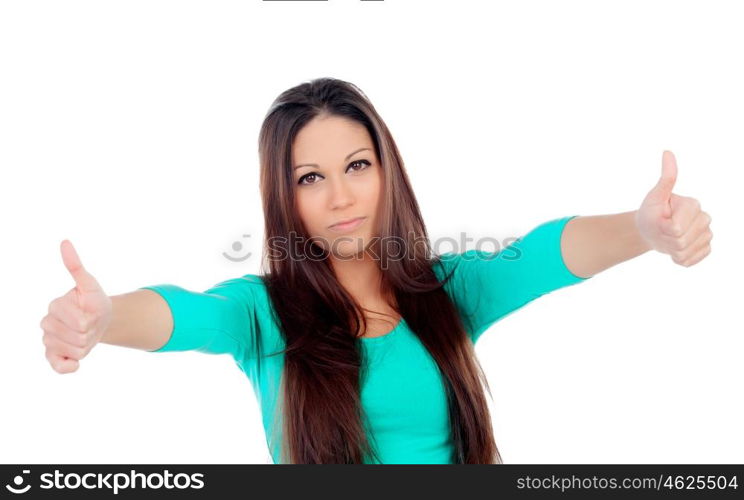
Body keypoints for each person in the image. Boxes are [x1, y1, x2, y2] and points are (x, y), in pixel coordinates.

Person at [39, 77, 713, 464]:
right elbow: (182, 312)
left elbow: (544, 254)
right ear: (284, 197)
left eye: (357, 166)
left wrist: (642, 229)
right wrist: (103, 321)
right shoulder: (261, 312)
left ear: (387, 170)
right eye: (311, 178)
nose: (340, 197)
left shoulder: (448, 292)